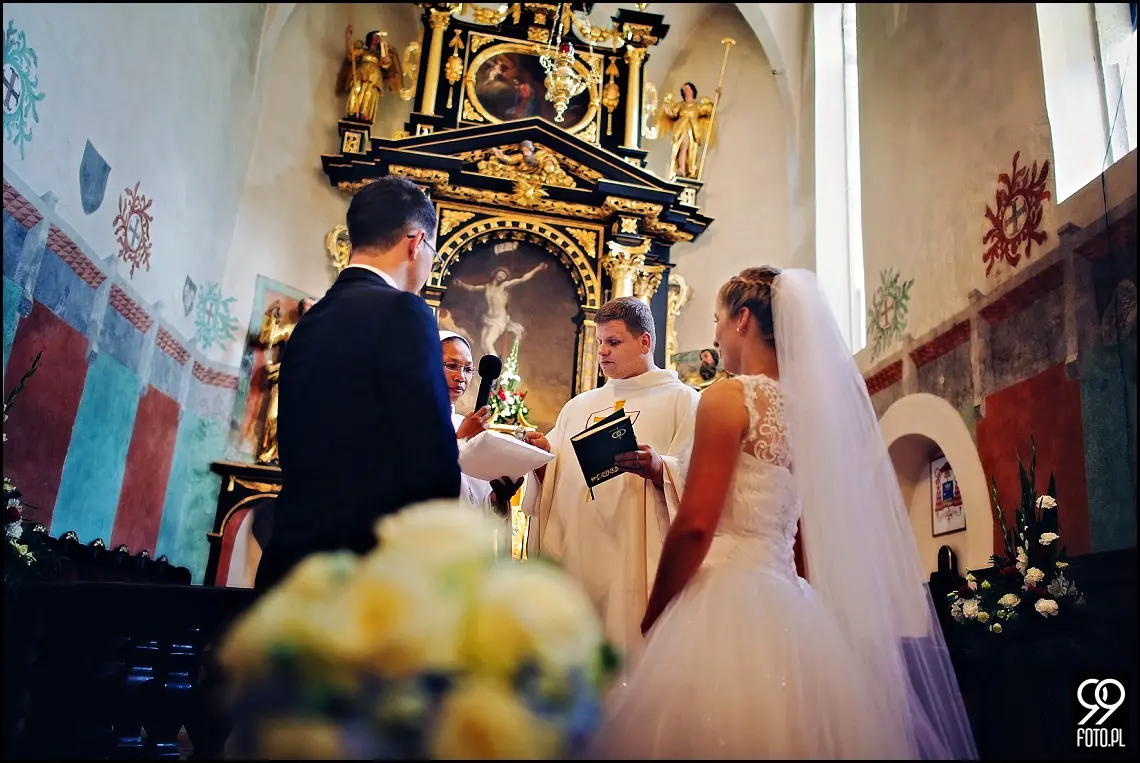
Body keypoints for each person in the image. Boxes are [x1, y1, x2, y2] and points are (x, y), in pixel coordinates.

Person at [591, 268, 977, 759]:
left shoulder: (729, 397)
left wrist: (656, 611)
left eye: (717, 320)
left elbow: (695, 526)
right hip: (789, 599)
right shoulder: (810, 414)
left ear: (743, 319)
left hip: (724, 598)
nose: (715, 335)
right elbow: (801, 535)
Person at [255, 176, 461, 593]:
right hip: (362, 575)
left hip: (289, 563)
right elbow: (431, 463)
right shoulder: (406, 312)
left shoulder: (311, 320)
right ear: (416, 243)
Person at [520, 297, 701, 659]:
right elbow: (554, 475)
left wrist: (659, 468)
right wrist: (540, 457)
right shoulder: (578, 406)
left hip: (634, 552)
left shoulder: (683, 402)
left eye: (613, 342)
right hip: (579, 548)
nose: (602, 351)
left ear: (644, 342)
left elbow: (698, 478)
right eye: (600, 341)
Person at [439, 329, 522, 551]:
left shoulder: (462, 422)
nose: (461, 377)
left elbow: (475, 500)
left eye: (468, 369)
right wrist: (462, 439)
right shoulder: (408, 421)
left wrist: (497, 498)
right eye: (452, 365)